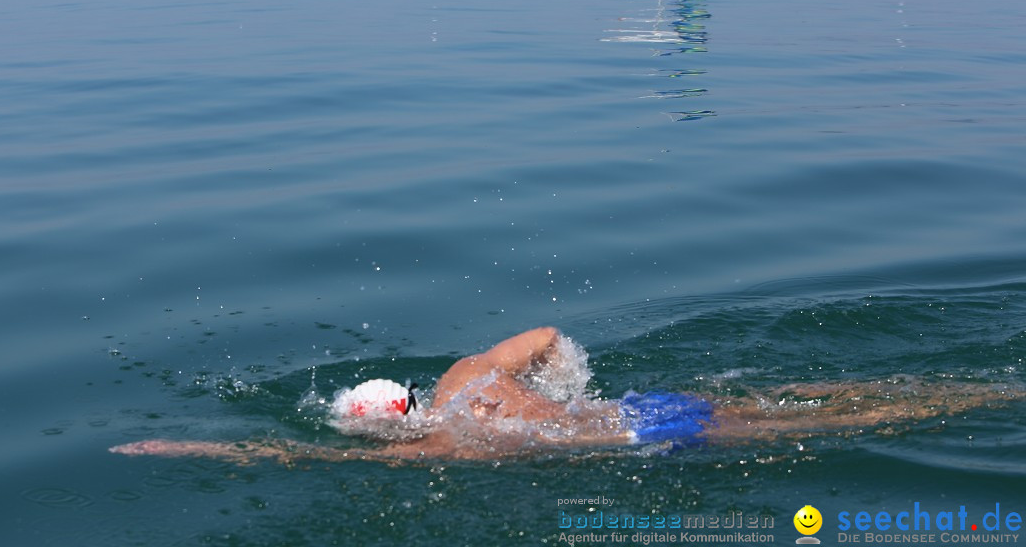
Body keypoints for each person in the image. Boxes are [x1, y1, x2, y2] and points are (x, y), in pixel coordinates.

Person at [111, 327, 1014, 464]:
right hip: (641, 403)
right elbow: (546, 335)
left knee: (819, 428)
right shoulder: (469, 378)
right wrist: (561, 383)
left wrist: (197, 447)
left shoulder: (443, 443)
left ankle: (977, 403)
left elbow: (287, 456)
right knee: (807, 398)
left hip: (630, 439)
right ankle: (962, 389)